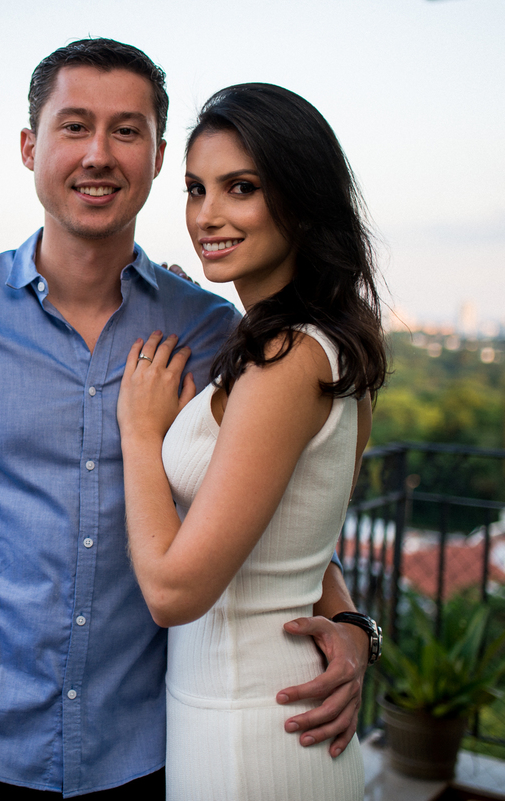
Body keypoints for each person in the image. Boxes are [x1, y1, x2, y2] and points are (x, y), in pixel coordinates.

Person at [0, 39, 374, 800]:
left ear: (158, 156)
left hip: (152, 750)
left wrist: (352, 622)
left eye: (126, 131)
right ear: (31, 146)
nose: (98, 153)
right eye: (74, 126)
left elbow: (261, 507)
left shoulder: (214, 331)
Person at [116, 83, 387, 800]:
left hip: (254, 731)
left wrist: (142, 434)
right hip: (248, 713)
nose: (208, 215)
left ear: (300, 198)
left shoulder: (290, 360)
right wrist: (354, 622)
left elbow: (174, 592)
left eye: (241, 188)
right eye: (196, 188)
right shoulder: (297, 345)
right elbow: (291, 530)